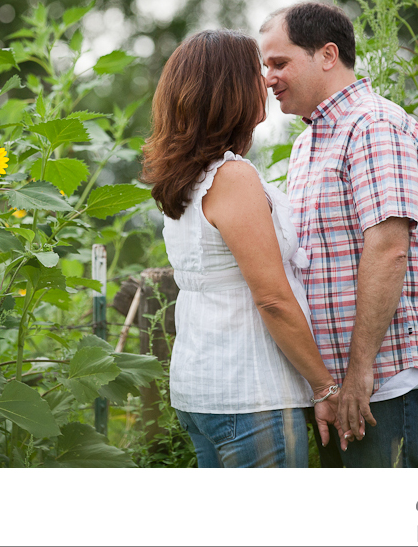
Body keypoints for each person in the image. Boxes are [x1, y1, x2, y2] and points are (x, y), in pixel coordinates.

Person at [259, 2, 418, 468]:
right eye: (265, 65)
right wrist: (325, 383)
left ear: (327, 55)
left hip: (381, 381)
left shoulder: (375, 126)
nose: (268, 78)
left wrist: (359, 372)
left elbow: (387, 251)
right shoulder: (308, 142)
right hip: (335, 388)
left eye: (279, 62)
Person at [140, 30, 343, 467]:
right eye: (257, 72)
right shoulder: (232, 177)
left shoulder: (187, 176)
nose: (267, 82)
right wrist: (325, 387)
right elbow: (271, 298)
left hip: (202, 390)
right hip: (251, 395)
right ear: (229, 89)